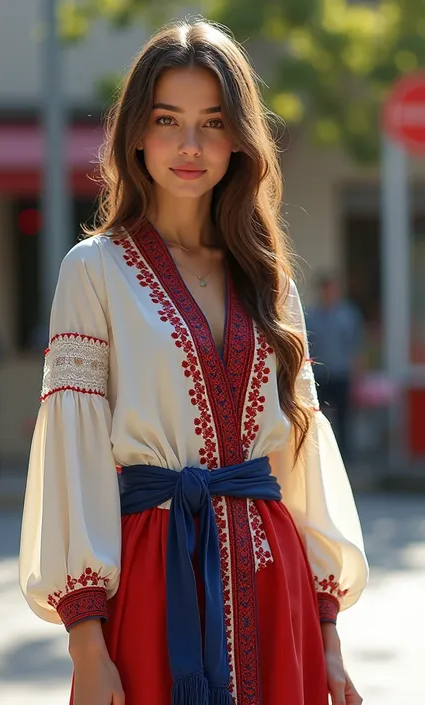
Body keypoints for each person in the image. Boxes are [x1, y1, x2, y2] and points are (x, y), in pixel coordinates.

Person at [19, 20, 368, 705]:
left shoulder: (271, 282)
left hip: (278, 589)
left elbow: (301, 460)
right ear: (136, 135)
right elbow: (74, 452)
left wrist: (327, 637)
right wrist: (87, 642)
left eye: (212, 122)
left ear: (239, 138)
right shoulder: (94, 272)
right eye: (167, 119)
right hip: (156, 579)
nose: (189, 145)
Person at [307, 274, 365, 460]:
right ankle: (321, 454)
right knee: (318, 416)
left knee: (343, 416)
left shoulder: (348, 315)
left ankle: (345, 455)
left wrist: (358, 373)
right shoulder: (311, 316)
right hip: (319, 374)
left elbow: (356, 345)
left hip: (341, 372)